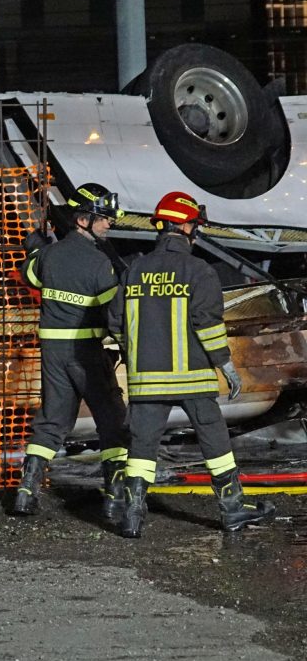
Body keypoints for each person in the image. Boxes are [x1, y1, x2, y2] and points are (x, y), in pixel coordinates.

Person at [107, 191, 273, 538]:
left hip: (147, 380)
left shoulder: (134, 270)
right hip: (192, 378)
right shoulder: (198, 270)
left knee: (142, 445)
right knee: (214, 439)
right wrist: (226, 365)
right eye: (195, 225)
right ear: (185, 227)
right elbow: (207, 323)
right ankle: (232, 509)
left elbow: (115, 321)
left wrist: (139, 352)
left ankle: (132, 515)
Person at [13, 182, 130, 519]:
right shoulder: (99, 263)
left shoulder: (49, 256)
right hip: (86, 352)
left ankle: (25, 493)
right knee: (111, 418)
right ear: (82, 220)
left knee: (52, 420)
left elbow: (30, 275)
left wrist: (36, 248)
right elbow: (115, 314)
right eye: (103, 218)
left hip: (53, 351)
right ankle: (116, 495)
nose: (108, 224)